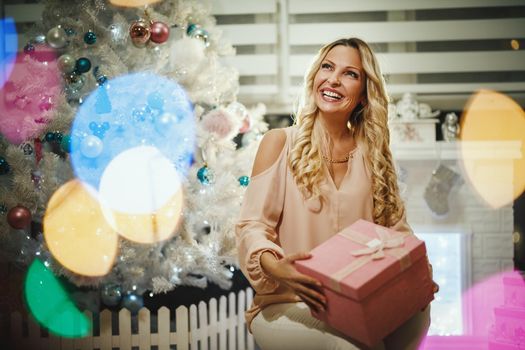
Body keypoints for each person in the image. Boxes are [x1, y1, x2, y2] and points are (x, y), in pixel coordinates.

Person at [236, 37, 436, 350]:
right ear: (314, 77)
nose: (333, 79)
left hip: (359, 304)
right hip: (290, 303)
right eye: (327, 67)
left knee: (418, 317)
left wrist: (419, 276)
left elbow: (397, 233)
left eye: (350, 74)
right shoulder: (278, 142)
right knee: (349, 347)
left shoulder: (375, 157)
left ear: (363, 94)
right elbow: (252, 227)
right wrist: (276, 266)